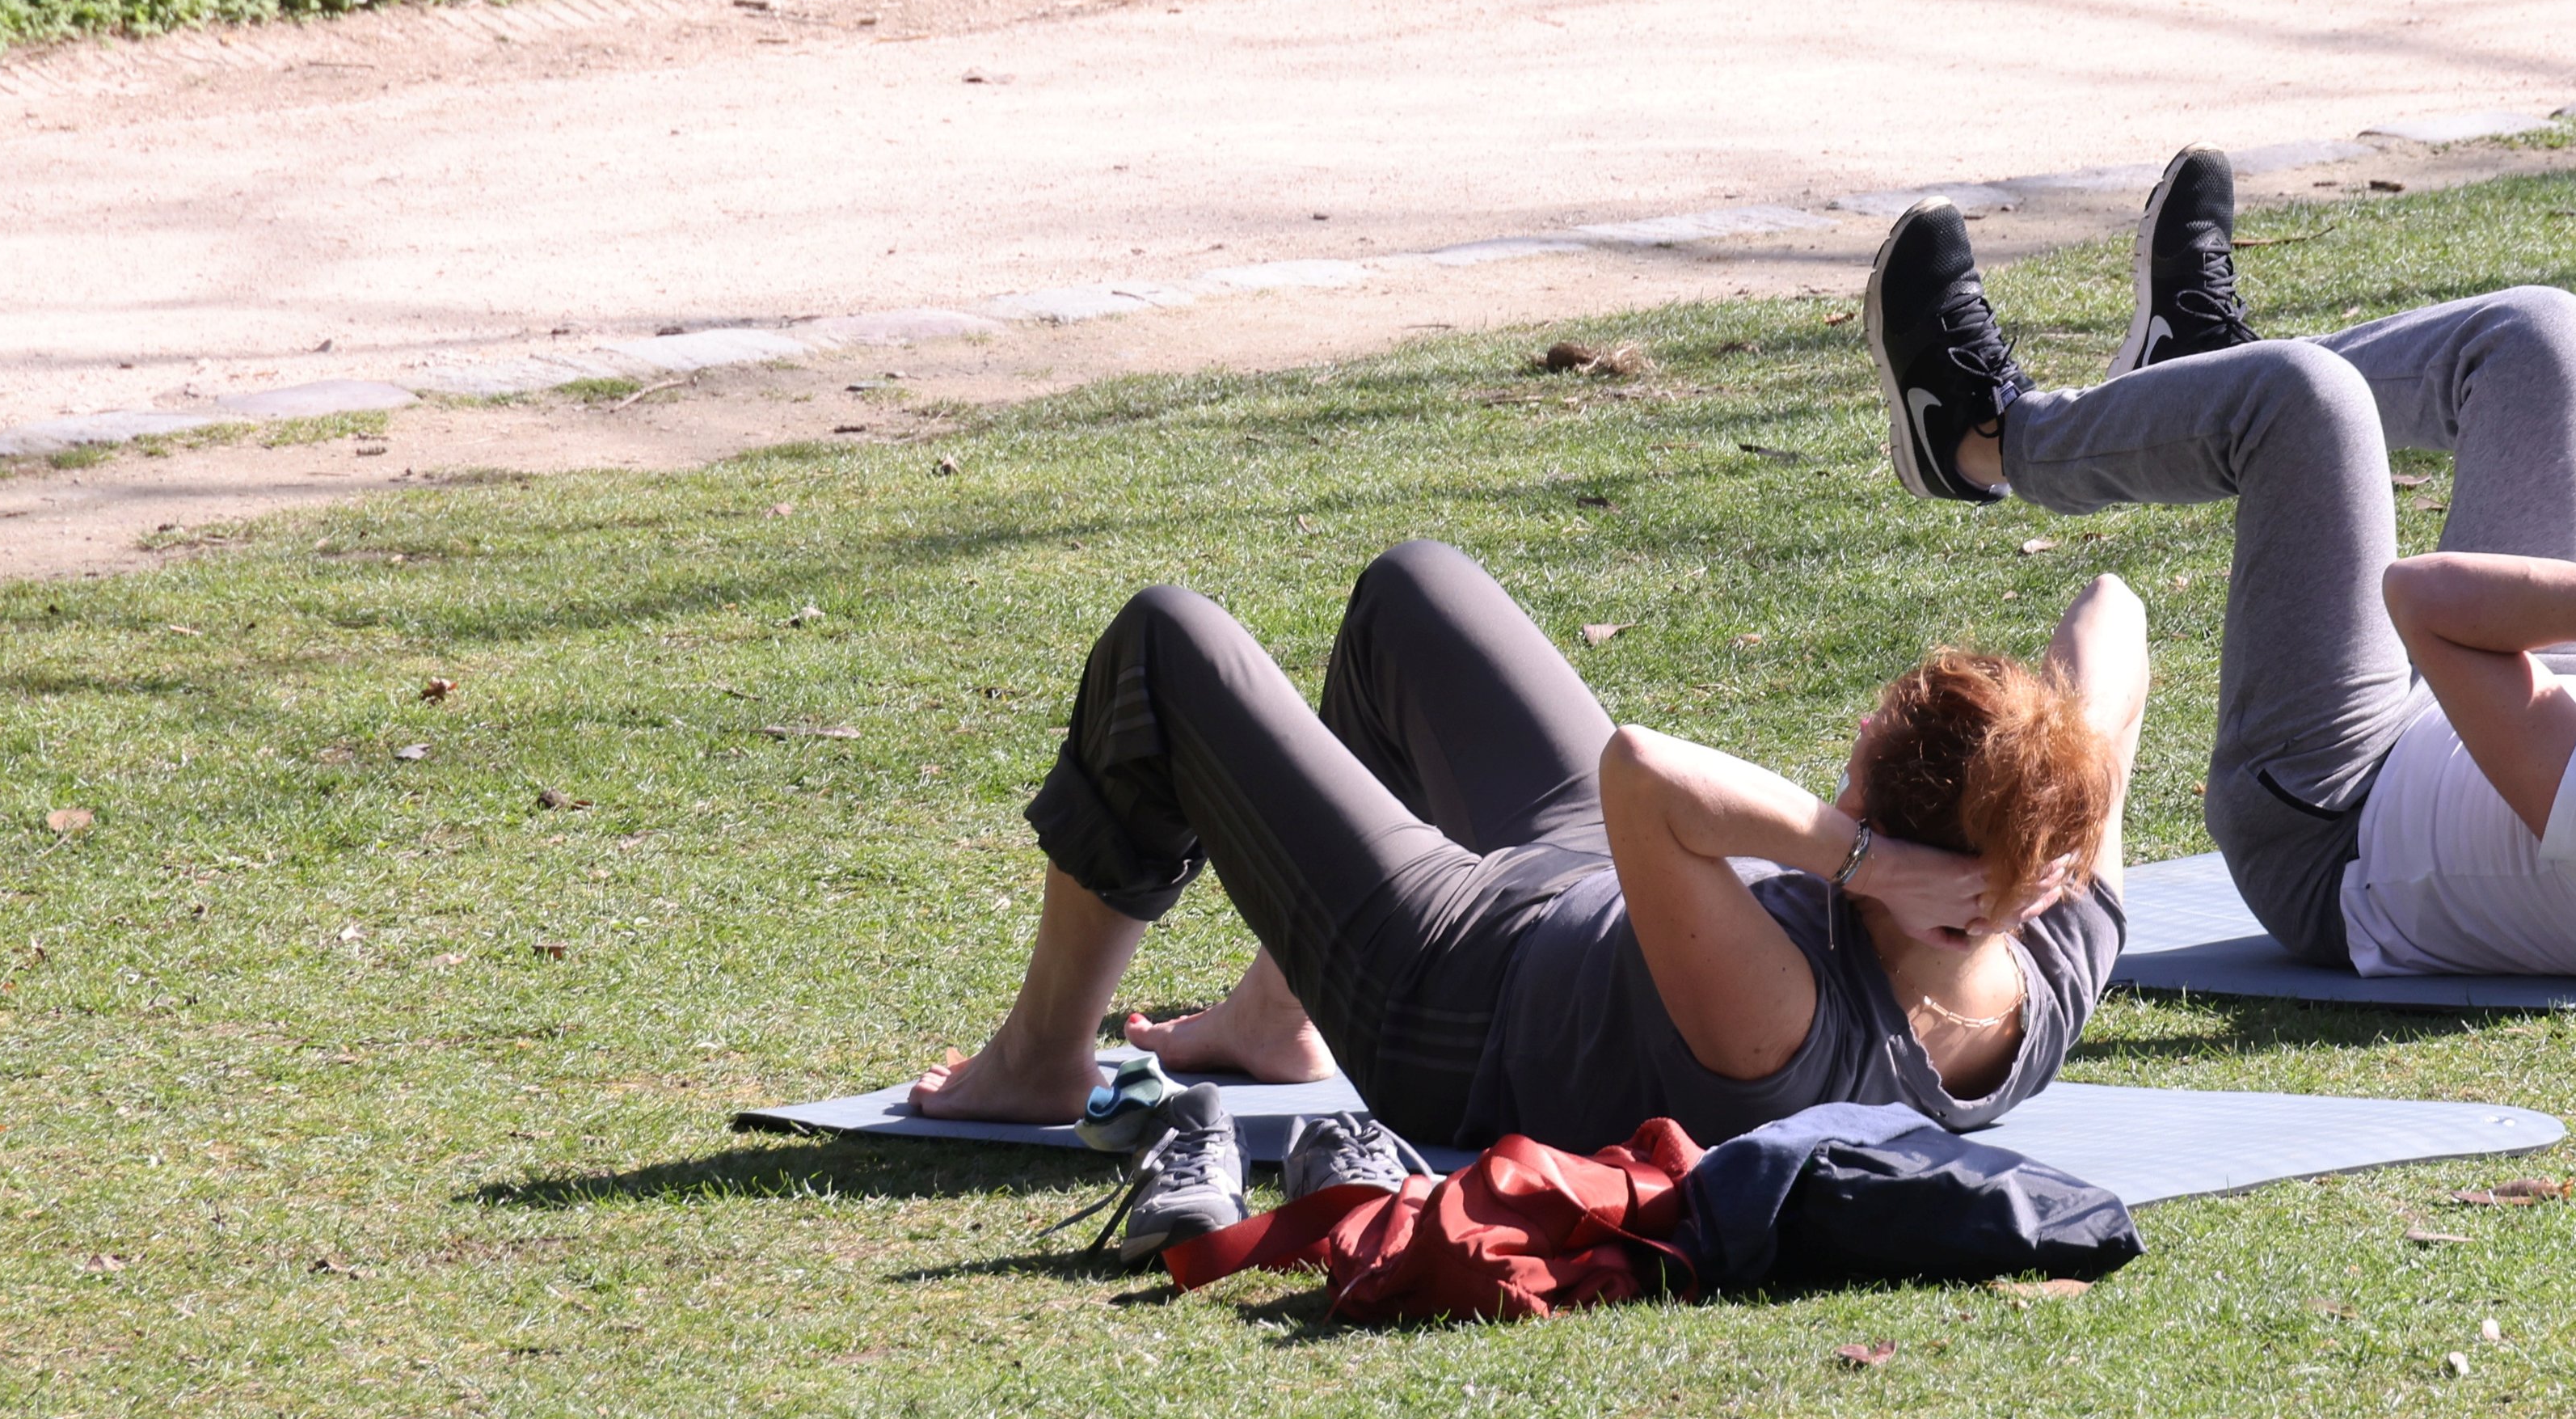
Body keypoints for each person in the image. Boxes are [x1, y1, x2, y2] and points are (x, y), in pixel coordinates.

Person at [1860, 147, 2576, 981]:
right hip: (2544, 716)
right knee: (2540, 338)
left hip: (2337, 819)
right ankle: (2195, 374)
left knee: (2303, 404)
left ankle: (1975, 438)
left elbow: (2424, 604)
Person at [913, 538, 2148, 1259]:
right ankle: (1273, 1016)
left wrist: (1856, 855)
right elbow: (2115, 609)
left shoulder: (1788, 1023)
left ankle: (1037, 1057)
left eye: (1860, 763)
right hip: (1598, 887)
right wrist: (2061, 806)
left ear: (1899, 854)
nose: (1850, 743)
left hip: (1450, 984)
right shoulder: (2050, 950)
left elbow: (1644, 771)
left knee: (1166, 644)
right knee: (1416, 587)